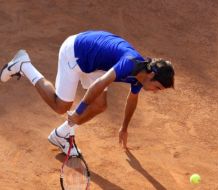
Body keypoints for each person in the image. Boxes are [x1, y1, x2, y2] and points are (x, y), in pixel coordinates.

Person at [0, 30, 175, 155]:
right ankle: (23, 65)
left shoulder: (140, 76)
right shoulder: (130, 63)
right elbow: (100, 83)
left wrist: (124, 127)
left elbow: (132, 98)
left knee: (100, 105)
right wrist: (78, 111)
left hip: (95, 64)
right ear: (151, 75)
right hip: (76, 52)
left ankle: (61, 135)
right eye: (158, 87)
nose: (155, 92)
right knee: (61, 106)